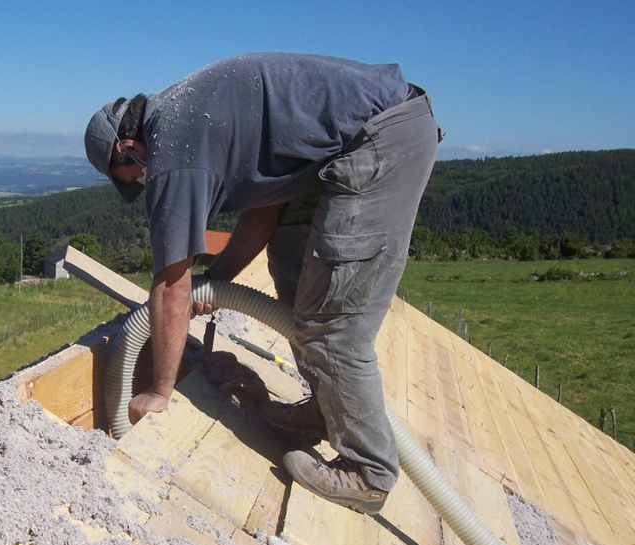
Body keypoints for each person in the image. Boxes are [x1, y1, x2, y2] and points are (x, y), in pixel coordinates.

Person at [85, 53, 440, 515]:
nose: (143, 182)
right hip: (341, 148)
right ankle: (329, 409)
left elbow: (171, 282)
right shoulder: (188, 116)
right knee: (295, 274)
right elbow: (265, 212)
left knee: (333, 320)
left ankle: (368, 472)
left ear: (128, 145)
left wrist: (159, 391)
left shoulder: (174, 150)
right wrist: (216, 284)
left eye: (134, 175)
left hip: (379, 139)